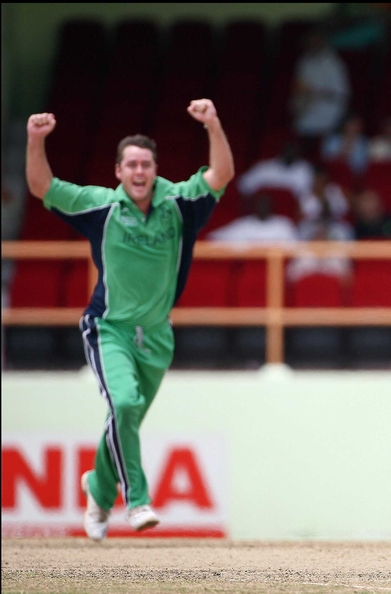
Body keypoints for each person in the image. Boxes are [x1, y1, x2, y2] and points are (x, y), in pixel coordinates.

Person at [25, 99, 234, 541]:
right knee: (122, 405)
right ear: (118, 172)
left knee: (127, 417)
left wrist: (213, 125)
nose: (139, 172)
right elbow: (42, 186)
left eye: (146, 164)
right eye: (131, 165)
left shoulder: (179, 204)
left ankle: (97, 488)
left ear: (156, 169)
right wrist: (36, 140)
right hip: (109, 329)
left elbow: (221, 176)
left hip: (158, 336)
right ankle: (136, 500)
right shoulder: (101, 207)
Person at [290, 26, 351, 152]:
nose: (312, 43)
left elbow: (342, 94)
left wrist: (316, 92)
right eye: (309, 40)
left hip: (329, 114)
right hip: (306, 113)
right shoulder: (304, 61)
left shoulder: (333, 63)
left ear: (321, 40)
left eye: (315, 39)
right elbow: (298, 88)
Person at [207, 192, 298, 244]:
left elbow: (298, 249)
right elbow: (214, 238)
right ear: (255, 207)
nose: (263, 208)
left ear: (272, 207)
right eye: (260, 205)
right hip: (248, 272)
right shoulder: (244, 225)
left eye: (266, 205)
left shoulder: (284, 225)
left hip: (277, 273)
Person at [237, 141, 314, 203]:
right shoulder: (264, 168)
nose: (290, 153)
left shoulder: (305, 170)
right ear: (281, 151)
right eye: (287, 150)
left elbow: (307, 197)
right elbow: (243, 185)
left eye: (293, 150)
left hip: (290, 214)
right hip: (262, 213)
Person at [321, 113, 370, 177]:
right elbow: (326, 159)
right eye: (352, 124)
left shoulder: (363, 143)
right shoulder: (332, 140)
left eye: (357, 125)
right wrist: (342, 153)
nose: (354, 128)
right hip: (331, 174)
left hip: (353, 177)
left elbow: (362, 166)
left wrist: (349, 157)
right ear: (345, 125)